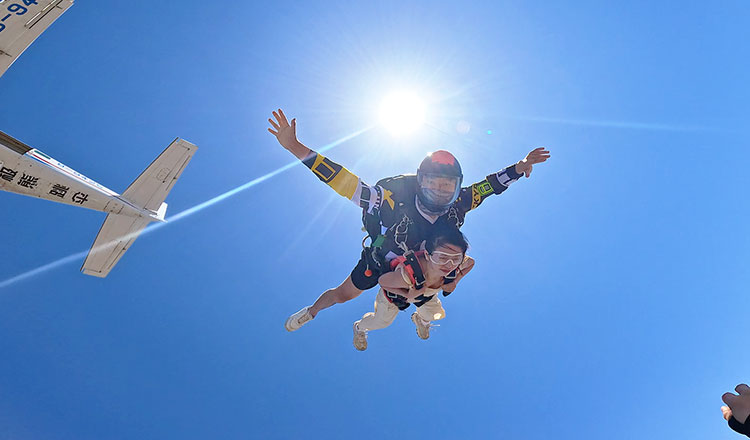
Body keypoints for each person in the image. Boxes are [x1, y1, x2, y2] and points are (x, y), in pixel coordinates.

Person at [267, 109, 549, 331]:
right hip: (383, 260)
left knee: (433, 293)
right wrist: (295, 147)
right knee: (343, 294)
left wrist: (520, 167)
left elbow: (489, 186)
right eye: (433, 183)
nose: (439, 191)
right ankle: (312, 311)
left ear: (457, 187)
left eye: (447, 186)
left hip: (428, 267)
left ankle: (422, 318)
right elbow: (343, 181)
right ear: (420, 182)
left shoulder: (460, 203)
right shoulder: (390, 199)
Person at [352, 225, 474, 351]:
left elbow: (470, 263)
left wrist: (455, 281)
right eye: (442, 258)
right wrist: (407, 295)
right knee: (381, 321)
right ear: (427, 255)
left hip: (425, 294)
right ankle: (359, 328)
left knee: (433, 313)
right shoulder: (406, 274)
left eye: (456, 259)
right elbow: (383, 282)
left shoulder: (456, 265)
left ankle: (421, 320)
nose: (449, 265)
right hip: (395, 295)